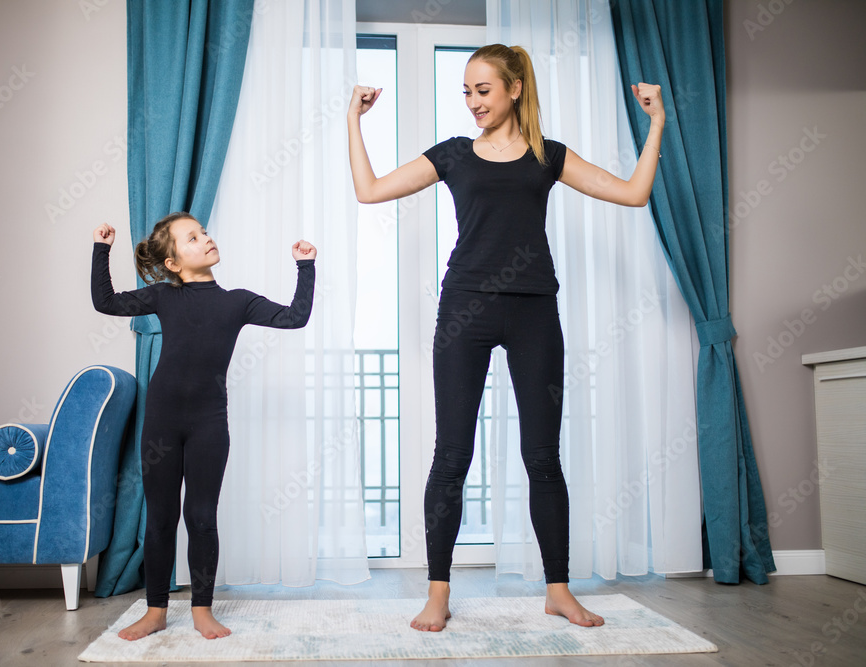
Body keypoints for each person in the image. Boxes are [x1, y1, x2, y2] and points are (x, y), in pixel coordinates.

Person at [347, 44, 664, 631]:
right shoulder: (453, 154)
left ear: (515, 89)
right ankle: (438, 592)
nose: (473, 102)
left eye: (483, 90)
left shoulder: (548, 156)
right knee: (451, 456)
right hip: (464, 311)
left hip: (534, 312)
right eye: (466, 92)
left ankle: (558, 590)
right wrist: (354, 120)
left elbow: (632, 193)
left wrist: (657, 124)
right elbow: (369, 191)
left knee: (543, 456)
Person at [91, 213, 317, 640]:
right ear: (173, 263)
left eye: (204, 233)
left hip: (208, 424)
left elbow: (295, 317)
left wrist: (305, 267)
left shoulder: (237, 301)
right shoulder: (164, 296)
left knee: (200, 517)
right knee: (160, 519)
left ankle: (202, 609)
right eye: (192, 238)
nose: (205, 239)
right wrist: (101, 249)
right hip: (161, 420)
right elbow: (106, 302)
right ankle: (155, 611)